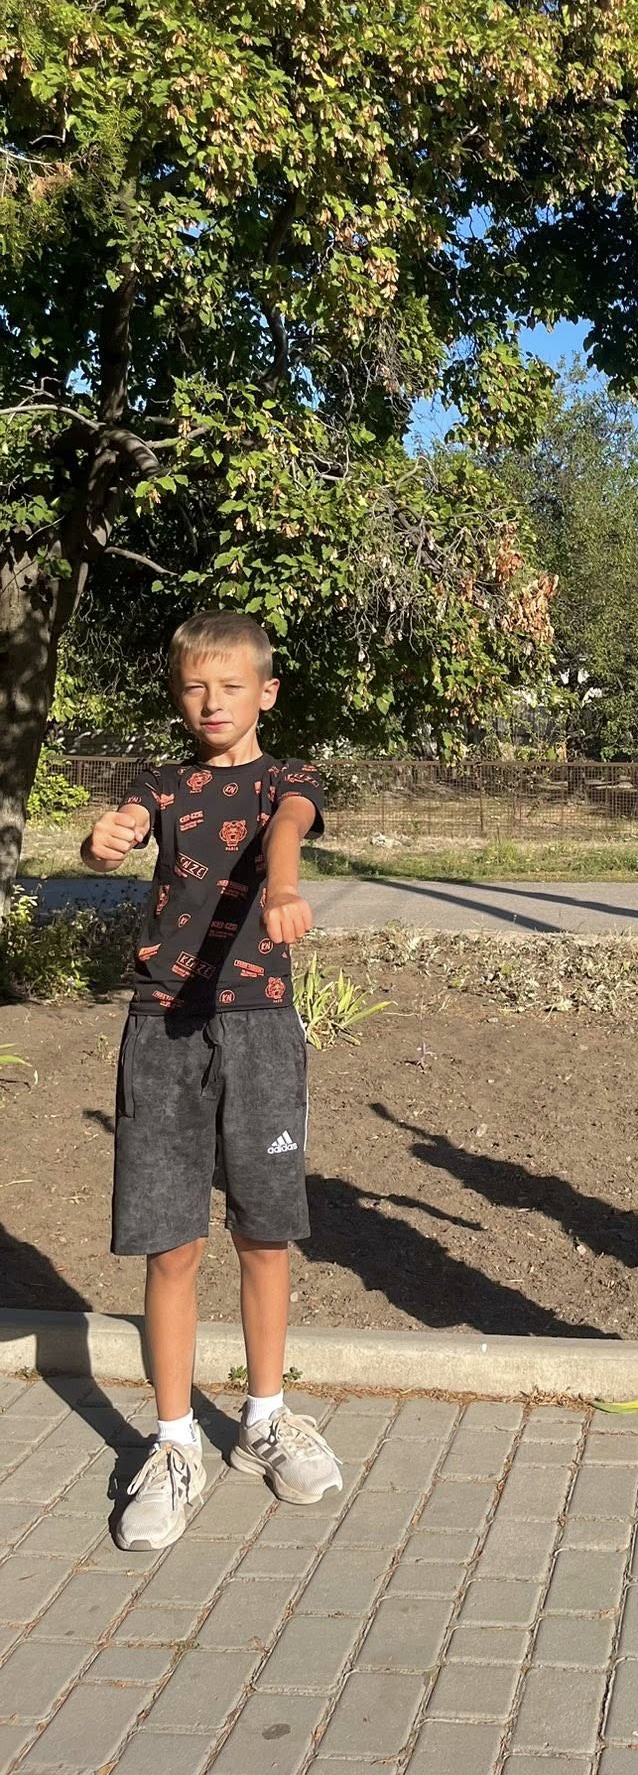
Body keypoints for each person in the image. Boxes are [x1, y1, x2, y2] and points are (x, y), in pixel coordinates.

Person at [82, 612, 343, 1549]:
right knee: (171, 1244)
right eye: (195, 687)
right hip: (161, 1027)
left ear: (266, 692)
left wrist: (283, 888)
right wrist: (106, 839)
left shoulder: (288, 780)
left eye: (231, 686)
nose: (213, 702)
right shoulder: (162, 784)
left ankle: (265, 1420)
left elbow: (288, 832)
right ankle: (173, 1442)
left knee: (265, 1232)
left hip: (260, 1026)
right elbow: (118, 832)